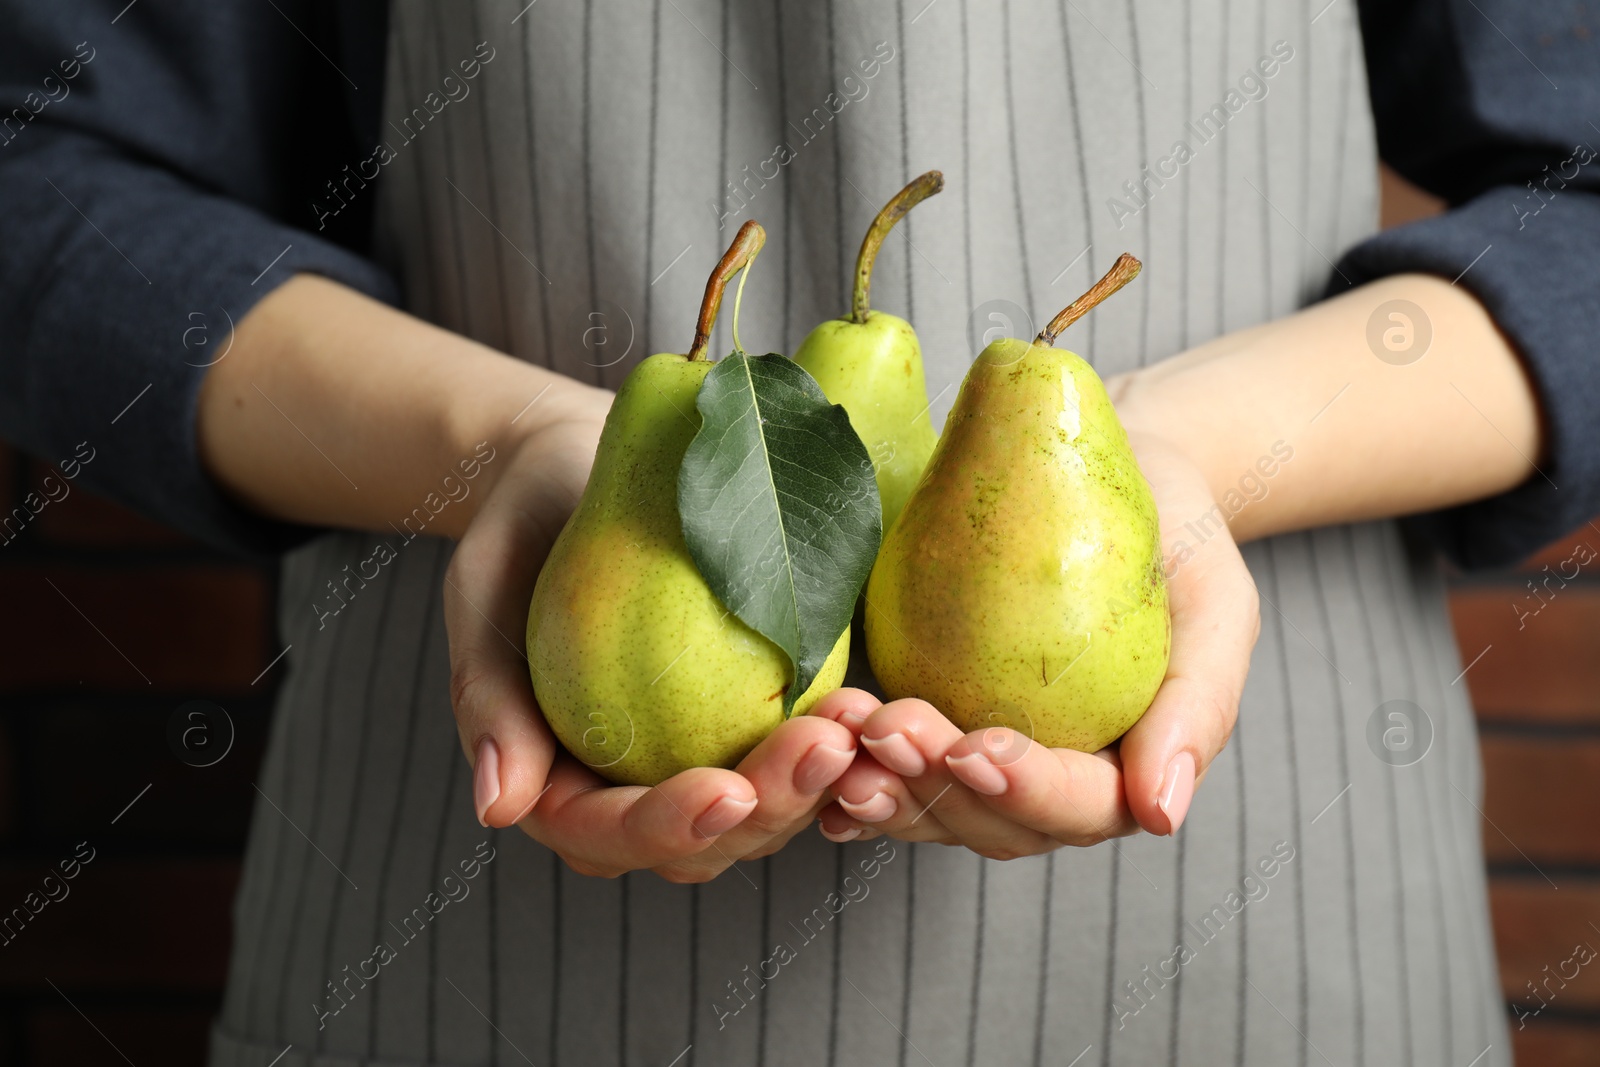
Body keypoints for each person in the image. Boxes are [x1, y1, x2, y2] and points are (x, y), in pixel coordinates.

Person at [2, 1, 1595, 1064]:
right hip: (472, 947)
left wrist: (1176, 455)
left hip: (1269, 944)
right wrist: (504, 454)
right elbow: (46, 162)